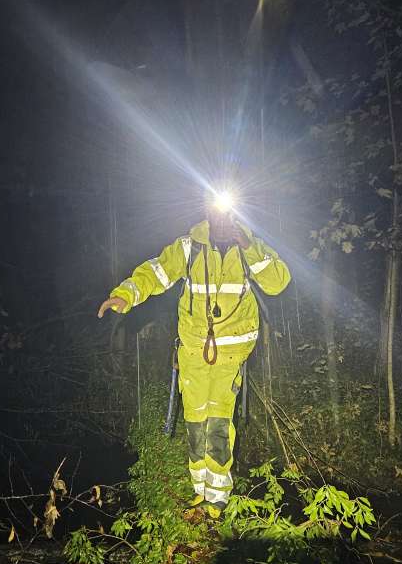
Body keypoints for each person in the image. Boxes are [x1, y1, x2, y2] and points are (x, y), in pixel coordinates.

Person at [98, 193, 291, 518]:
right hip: (192, 350)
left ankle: (216, 499)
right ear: (206, 212)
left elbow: (278, 283)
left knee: (218, 422)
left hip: (232, 353)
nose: (220, 218)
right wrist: (124, 296)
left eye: (226, 211)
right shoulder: (189, 247)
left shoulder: (250, 247)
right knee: (196, 421)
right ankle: (200, 490)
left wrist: (248, 246)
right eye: (214, 210)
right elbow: (155, 273)